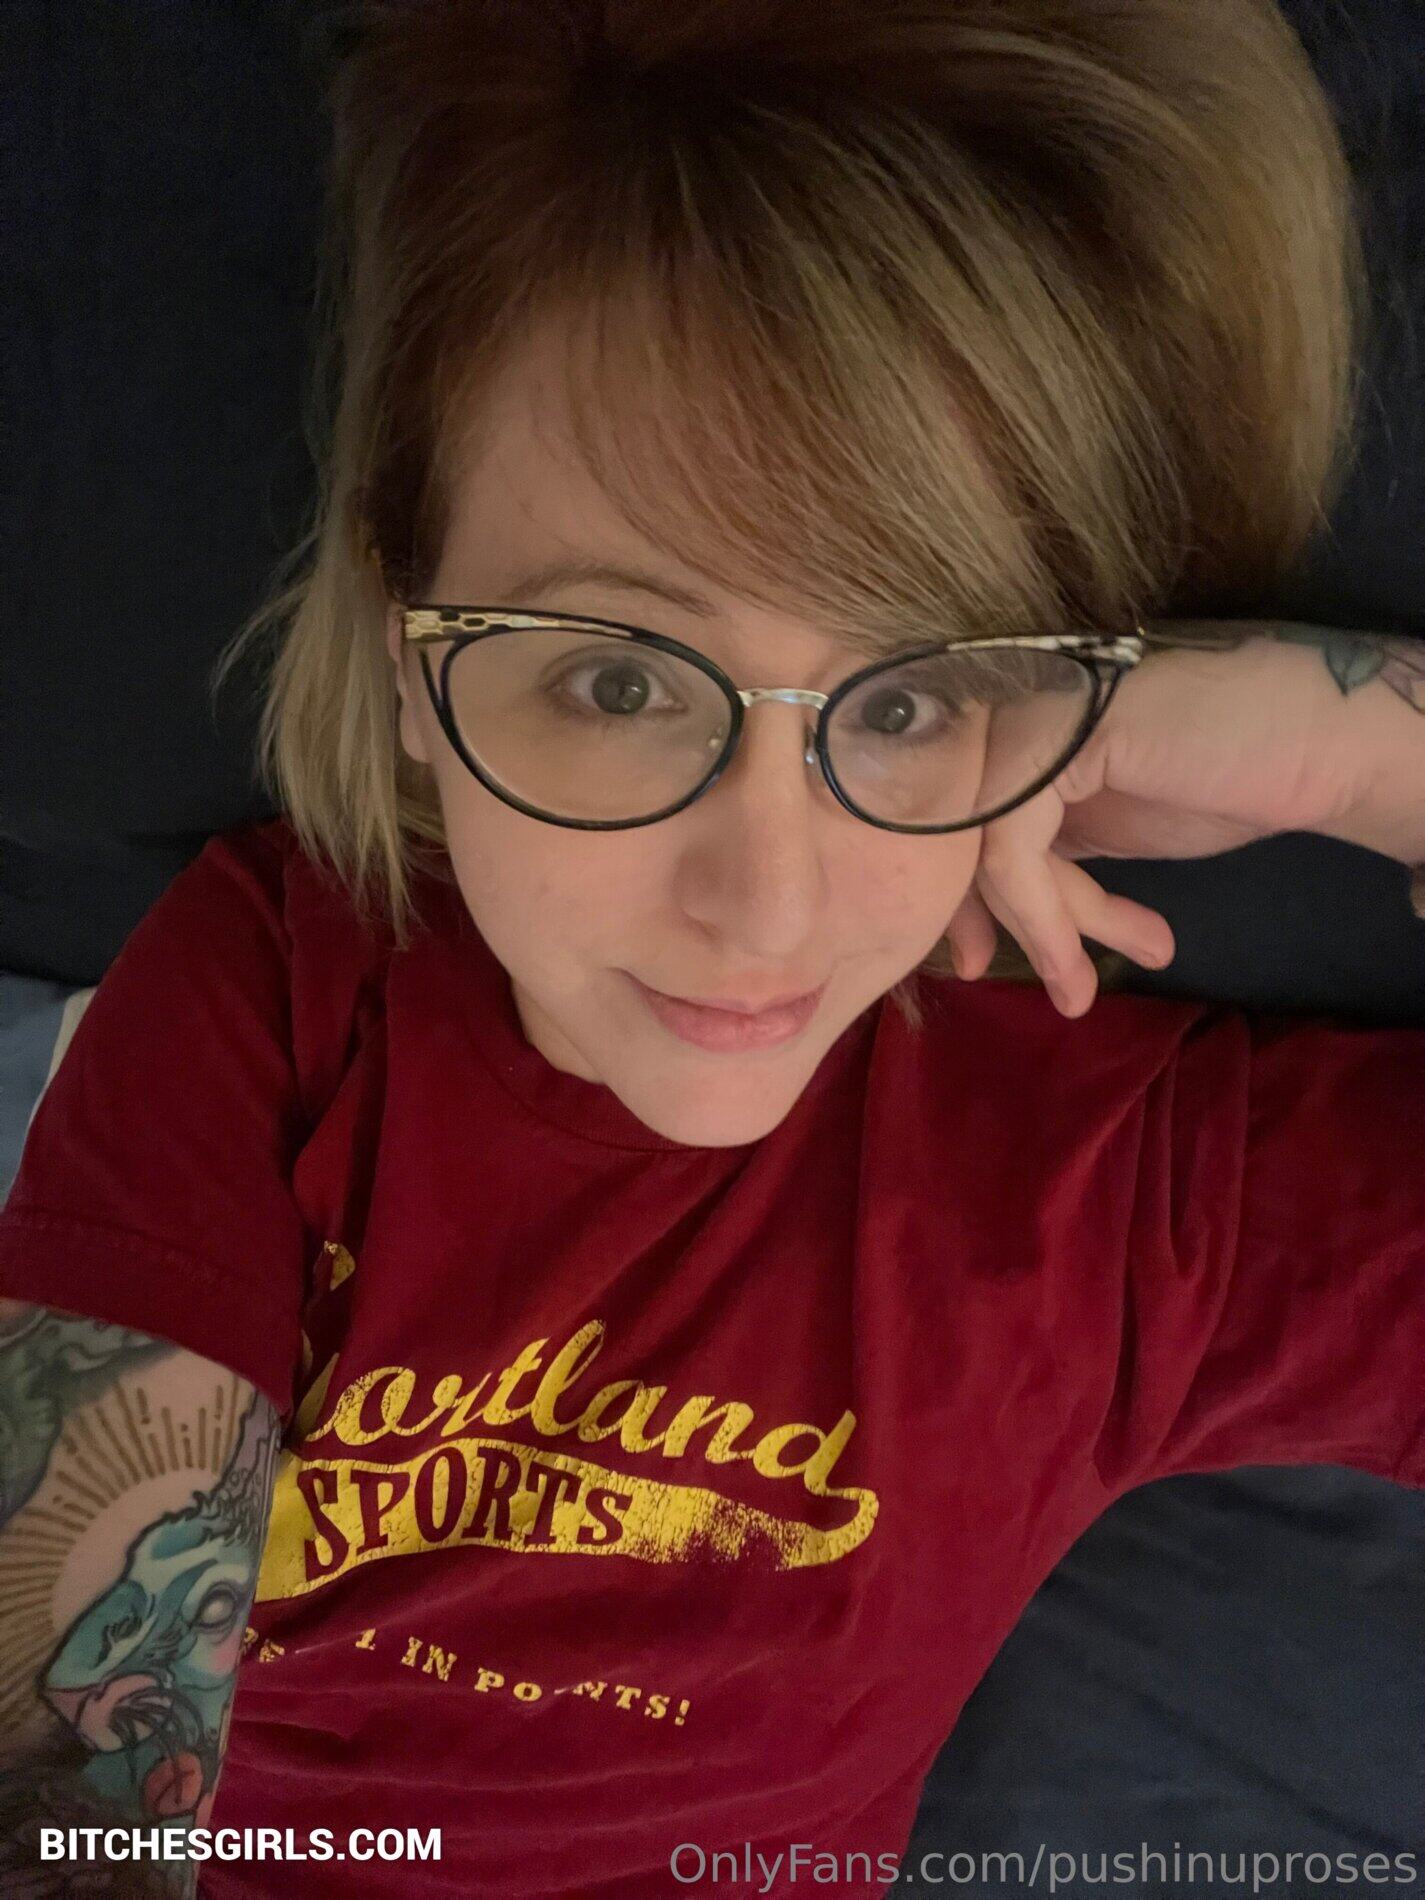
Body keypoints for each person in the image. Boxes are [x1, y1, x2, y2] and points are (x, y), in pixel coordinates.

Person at [0, 1, 1421, 1894]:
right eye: (617, 681)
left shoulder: (1128, 1188)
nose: (766, 908)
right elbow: (66, 1793)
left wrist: (1359, 751)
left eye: (909, 700)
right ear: (408, 639)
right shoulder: (284, 983)